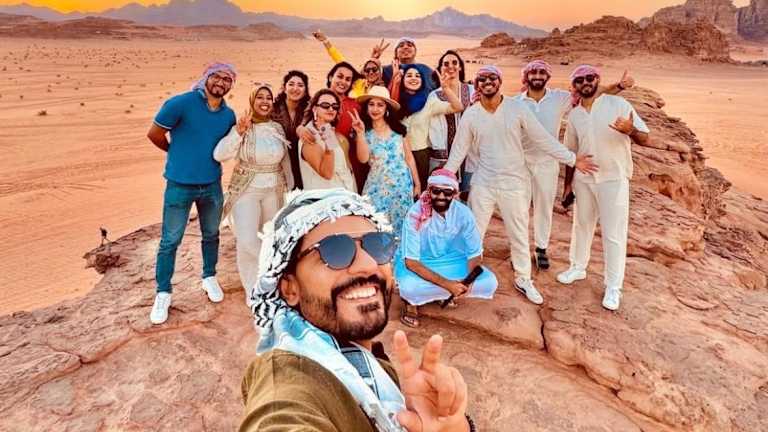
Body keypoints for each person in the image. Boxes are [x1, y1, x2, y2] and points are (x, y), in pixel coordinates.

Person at [240, 188, 475, 432]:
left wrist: (454, 428)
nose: (369, 264)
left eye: (377, 245)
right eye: (334, 250)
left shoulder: (371, 364)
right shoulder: (286, 384)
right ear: (290, 289)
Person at [444, 65, 598, 305]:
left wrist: (572, 159)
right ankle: (463, 278)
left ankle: (524, 278)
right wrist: (444, 177)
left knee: (518, 234)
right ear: (476, 84)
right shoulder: (471, 115)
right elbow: (458, 150)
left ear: (500, 81)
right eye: (482, 78)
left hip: (514, 183)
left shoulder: (517, 108)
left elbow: (542, 138)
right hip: (483, 183)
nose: (487, 82)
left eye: (492, 77)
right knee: (473, 233)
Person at [513, 60, 634, 270]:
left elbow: (592, 93)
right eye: (533, 72)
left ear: (547, 76)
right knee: (519, 209)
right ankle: (520, 249)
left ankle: (541, 248)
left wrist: (620, 86)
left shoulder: (559, 98)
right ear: (526, 76)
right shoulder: (516, 102)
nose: (537, 76)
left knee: (544, 207)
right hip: (521, 163)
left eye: (542, 72)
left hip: (548, 163)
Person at [146, 62, 236, 325]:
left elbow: (227, 146)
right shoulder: (181, 103)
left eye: (227, 79)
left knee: (212, 234)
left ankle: (209, 277)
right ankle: (163, 292)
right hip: (179, 184)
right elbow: (154, 133)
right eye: (216, 76)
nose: (221, 82)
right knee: (170, 240)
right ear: (206, 77)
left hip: (212, 184)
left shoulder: (228, 115)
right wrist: (175, 153)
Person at [557, 65, 650, 311]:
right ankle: (577, 267)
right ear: (575, 86)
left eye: (590, 78)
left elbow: (645, 137)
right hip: (584, 179)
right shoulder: (575, 115)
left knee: (613, 233)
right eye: (579, 80)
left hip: (614, 178)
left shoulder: (618, 104)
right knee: (582, 225)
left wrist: (630, 131)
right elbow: (572, 151)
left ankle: (613, 286)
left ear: (597, 79)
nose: (585, 83)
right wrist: (567, 185)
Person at [213, 84, 293, 303]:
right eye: (260, 97)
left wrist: (291, 190)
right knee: (247, 240)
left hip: (274, 189)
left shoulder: (277, 128)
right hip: (246, 189)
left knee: (270, 238)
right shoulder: (242, 125)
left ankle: (269, 285)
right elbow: (220, 154)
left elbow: (285, 161)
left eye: (268, 97)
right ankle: (263, 282)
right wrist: (238, 133)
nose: (264, 101)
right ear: (252, 101)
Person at [395, 169, 498, 327]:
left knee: (490, 282)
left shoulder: (464, 213)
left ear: (455, 194)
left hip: (452, 261)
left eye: (447, 192)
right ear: (429, 191)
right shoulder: (415, 215)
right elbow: (412, 262)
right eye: (436, 191)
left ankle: (443, 292)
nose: (441, 196)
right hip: (421, 264)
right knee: (410, 288)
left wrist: (468, 282)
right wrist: (447, 284)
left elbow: (475, 253)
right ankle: (411, 304)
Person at [351, 86, 420, 236]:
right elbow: (363, 159)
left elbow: (409, 158)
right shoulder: (364, 132)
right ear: (366, 107)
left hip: (401, 186)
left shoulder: (399, 129)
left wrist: (417, 184)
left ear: (386, 108)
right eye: (371, 104)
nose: (375, 109)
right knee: (376, 228)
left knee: (400, 228)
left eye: (380, 105)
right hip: (377, 186)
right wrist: (360, 134)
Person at [390, 64, 462, 191]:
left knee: (419, 191)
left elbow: (458, 107)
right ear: (403, 79)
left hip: (420, 155)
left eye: (417, 76)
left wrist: (446, 89)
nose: (413, 78)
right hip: (397, 153)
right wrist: (394, 83)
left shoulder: (429, 102)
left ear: (422, 80)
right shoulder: (395, 100)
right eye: (409, 75)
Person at [426, 50, 477, 200]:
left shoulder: (472, 91)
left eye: (455, 63)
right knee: (443, 199)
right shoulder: (434, 95)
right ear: (440, 69)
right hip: (443, 157)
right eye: (446, 64)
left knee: (469, 198)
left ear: (460, 67)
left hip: (470, 155)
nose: (450, 66)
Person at [298, 89, 356, 191]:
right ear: (314, 109)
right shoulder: (308, 135)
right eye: (325, 105)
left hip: (345, 193)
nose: (331, 109)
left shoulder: (333, 132)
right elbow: (327, 174)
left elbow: (346, 167)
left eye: (335, 106)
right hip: (325, 197)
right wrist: (329, 149)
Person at [313, 30, 388, 98]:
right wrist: (326, 41)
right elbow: (341, 61)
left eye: (374, 69)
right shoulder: (358, 83)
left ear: (380, 72)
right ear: (364, 72)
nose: (371, 72)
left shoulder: (383, 90)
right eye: (367, 70)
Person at [271, 70, 310, 190]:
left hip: (304, 164)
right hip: (280, 163)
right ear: (284, 88)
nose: (295, 88)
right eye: (291, 84)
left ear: (305, 91)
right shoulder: (273, 110)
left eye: (300, 85)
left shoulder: (309, 111)